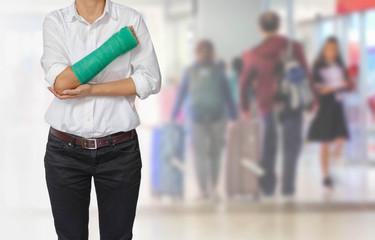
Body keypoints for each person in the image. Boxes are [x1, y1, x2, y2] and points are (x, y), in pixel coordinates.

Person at [41, 0, 161, 239]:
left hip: (120, 151)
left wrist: (91, 89)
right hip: (64, 152)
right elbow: (62, 83)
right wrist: (118, 44)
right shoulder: (55, 21)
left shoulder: (131, 18)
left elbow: (150, 80)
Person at [240, 11, 310, 199]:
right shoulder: (293, 47)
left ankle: (268, 188)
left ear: (261, 29)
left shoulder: (253, 53)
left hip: (266, 106)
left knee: (267, 148)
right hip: (291, 103)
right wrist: (313, 100)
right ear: (278, 26)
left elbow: (244, 82)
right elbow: (306, 72)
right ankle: (288, 188)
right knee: (291, 147)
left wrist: (245, 107)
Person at [171, 40, 237, 200]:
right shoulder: (219, 70)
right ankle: (214, 189)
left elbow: (181, 94)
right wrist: (235, 117)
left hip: (196, 117)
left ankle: (203, 191)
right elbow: (228, 95)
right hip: (217, 117)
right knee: (215, 153)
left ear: (196, 52)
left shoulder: (190, 70)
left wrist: (173, 115)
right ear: (213, 53)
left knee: (199, 155)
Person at [308, 37, 350, 189]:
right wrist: (338, 85)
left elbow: (346, 84)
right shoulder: (318, 65)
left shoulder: (340, 65)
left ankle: (331, 161)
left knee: (341, 138)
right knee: (325, 141)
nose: (332, 52)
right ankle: (325, 176)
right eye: (329, 49)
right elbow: (320, 89)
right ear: (324, 49)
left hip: (338, 104)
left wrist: (346, 84)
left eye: (334, 49)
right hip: (325, 105)